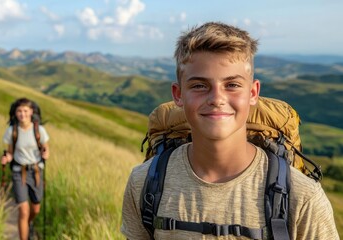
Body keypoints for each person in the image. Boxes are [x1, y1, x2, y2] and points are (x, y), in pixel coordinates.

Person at [121, 22, 339, 239]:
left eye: (232, 85)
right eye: (199, 85)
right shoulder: (143, 184)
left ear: (253, 93)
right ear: (178, 94)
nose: (217, 99)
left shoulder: (302, 197)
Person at [1, 98, 49, 240]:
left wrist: (45, 154)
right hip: (18, 171)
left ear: (31, 112)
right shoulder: (12, 131)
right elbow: (10, 152)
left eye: (25, 111)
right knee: (23, 210)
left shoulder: (39, 130)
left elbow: (47, 150)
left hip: (36, 172)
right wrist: (7, 158)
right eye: (19, 111)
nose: (22, 114)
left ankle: (29, 223)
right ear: (15, 113)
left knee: (35, 209)